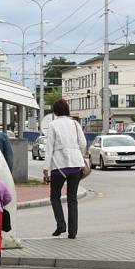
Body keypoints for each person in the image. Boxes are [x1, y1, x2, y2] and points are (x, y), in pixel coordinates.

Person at [43, 99, 87, 240]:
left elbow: (49, 148)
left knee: (55, 197)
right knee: (72, 199)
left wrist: (46, 168)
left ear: (55, 111)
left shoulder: (53, 125)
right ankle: (72, 232)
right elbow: (83, 143)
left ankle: (61, 224)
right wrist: (78, 153)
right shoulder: (75, 124)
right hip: (75, 165)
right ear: (67, 110)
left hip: (58, 166)